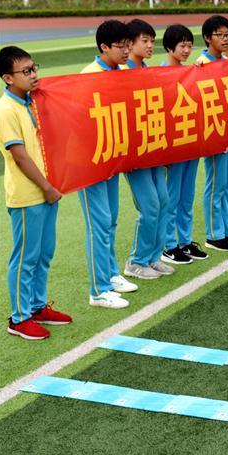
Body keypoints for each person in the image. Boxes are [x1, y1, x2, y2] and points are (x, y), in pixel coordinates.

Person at [0, 46, 73, 339]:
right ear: (7, 77)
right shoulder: (5, 110)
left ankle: (37, 306)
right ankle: (18, 318)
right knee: (25, 257)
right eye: (26, 71)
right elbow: (20, 156)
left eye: (34, 68)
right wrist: (47, 187)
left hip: (47, 191)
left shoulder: (34, 102)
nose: (34, 75)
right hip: (28, 195)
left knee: (43, 254)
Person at [79, 20, 137, 308]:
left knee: (111, 220)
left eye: (129, 44)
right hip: (91, 163)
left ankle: (111, 274)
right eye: (121, 46)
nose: (127, 50)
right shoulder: (88, 76)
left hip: (113, 159)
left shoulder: (123, 72)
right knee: (97, 225)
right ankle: (98, 290)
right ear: (104, 47)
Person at [119, 19, 174, 281]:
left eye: (152, 40)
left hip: (154, 148)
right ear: (129, 44)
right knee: (150, 206)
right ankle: (136, 261)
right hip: (135, 154)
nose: (151, 45)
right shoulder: (122, 73)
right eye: (145, 41)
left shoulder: (148, 69)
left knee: (163, 201)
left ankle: (153, 256)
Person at [194, 15, 228, 252]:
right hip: (215, 133)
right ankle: (214, 234)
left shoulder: (227, 62)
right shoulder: (201, 64)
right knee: (216, 184)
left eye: (227, 35)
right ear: (207, 38)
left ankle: (227, 229)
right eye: (220, 35)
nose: (225, 40)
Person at [160, 24, 207, 265]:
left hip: (191, 141)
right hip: (174, 145)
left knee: (187, 195)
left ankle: (185, 240)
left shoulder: (190, 71)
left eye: (190, 45)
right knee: (172, 195)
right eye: (182, 45)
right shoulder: (160, 73)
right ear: (170, 47)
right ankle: (168, 244)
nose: (187, 50)